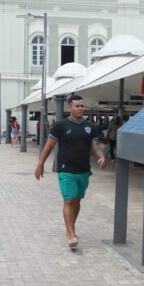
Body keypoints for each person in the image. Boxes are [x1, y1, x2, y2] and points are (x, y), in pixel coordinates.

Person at [34, 94, 107, 251]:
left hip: (84, 171)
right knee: (69, 200)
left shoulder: (90, 127)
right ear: (70, 108)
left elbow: (95, 147)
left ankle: (70, 227)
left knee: (77, 201)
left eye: (82, 106)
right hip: (66, 170)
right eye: (77, 106)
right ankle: (72, 234)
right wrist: (40, 164)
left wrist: (101, 156)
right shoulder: (60, 126)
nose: (81, 108)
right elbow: (48, 146)